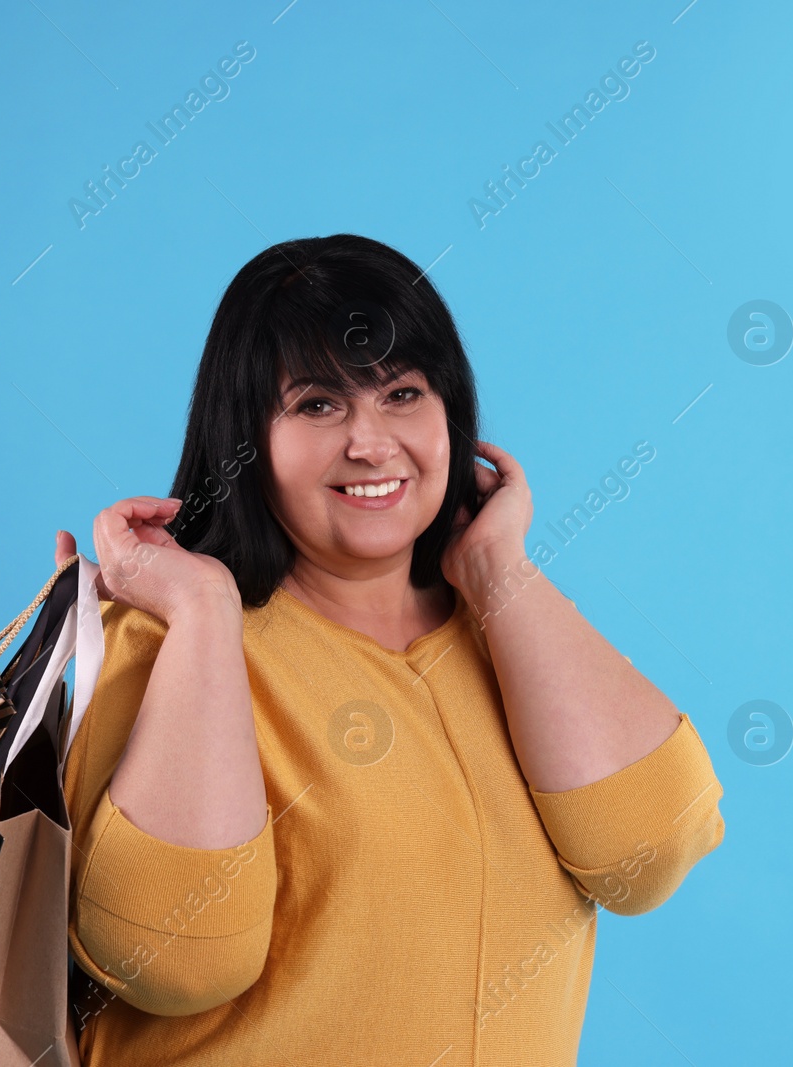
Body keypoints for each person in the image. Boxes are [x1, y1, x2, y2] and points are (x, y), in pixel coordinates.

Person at [54, 234, 725, 1065]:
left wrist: (497, 568)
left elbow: (648, 855)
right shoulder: (170, 641)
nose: (371, 442)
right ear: (246, 438)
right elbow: (175, 956)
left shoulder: (501, 630)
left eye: (403, 393)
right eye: (318, 404)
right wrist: (200, 605)